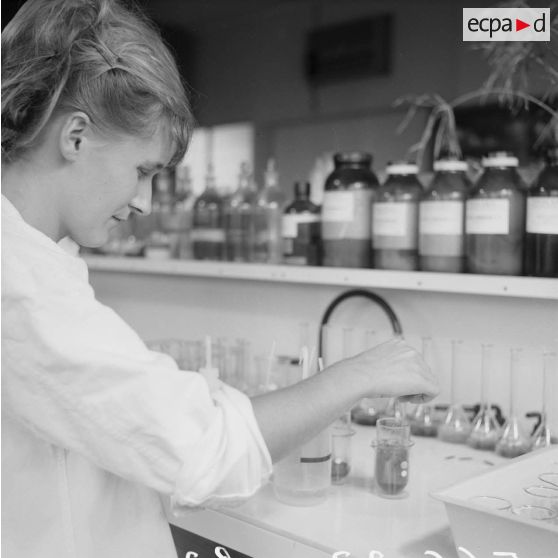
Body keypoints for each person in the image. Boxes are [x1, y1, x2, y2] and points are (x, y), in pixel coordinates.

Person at [1, 1, 439, 557]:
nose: (144, 202)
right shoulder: (23, 291)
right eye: (143, 171)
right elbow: (209, 452)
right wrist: (360, 373)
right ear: (77, 136)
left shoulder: (39, 262)